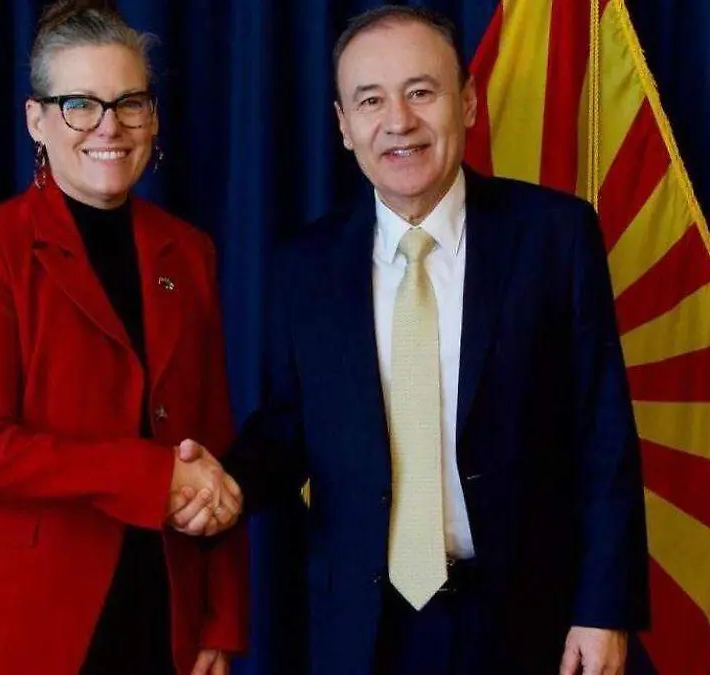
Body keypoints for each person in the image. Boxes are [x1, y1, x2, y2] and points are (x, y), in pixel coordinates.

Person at [174, 6, 649, 674]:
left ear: (468, 102)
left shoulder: (554, 237)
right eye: (370, 100)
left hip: (526, 619)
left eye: (421, 91)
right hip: (363, 628)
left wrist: (604, 608)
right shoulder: (305, 265)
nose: (398, 121)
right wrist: (224, 484)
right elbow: (291, 424)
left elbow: (604, 434)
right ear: (344, 125)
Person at [0, 2, 246, 673]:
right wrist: (149, 474)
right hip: (24, 626)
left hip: (164, 615)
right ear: (36, 121)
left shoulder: (189, 251)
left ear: (152, 117)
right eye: (80, 105)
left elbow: (211, 440)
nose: (109, 126)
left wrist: (218, 617)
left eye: (130, 103)